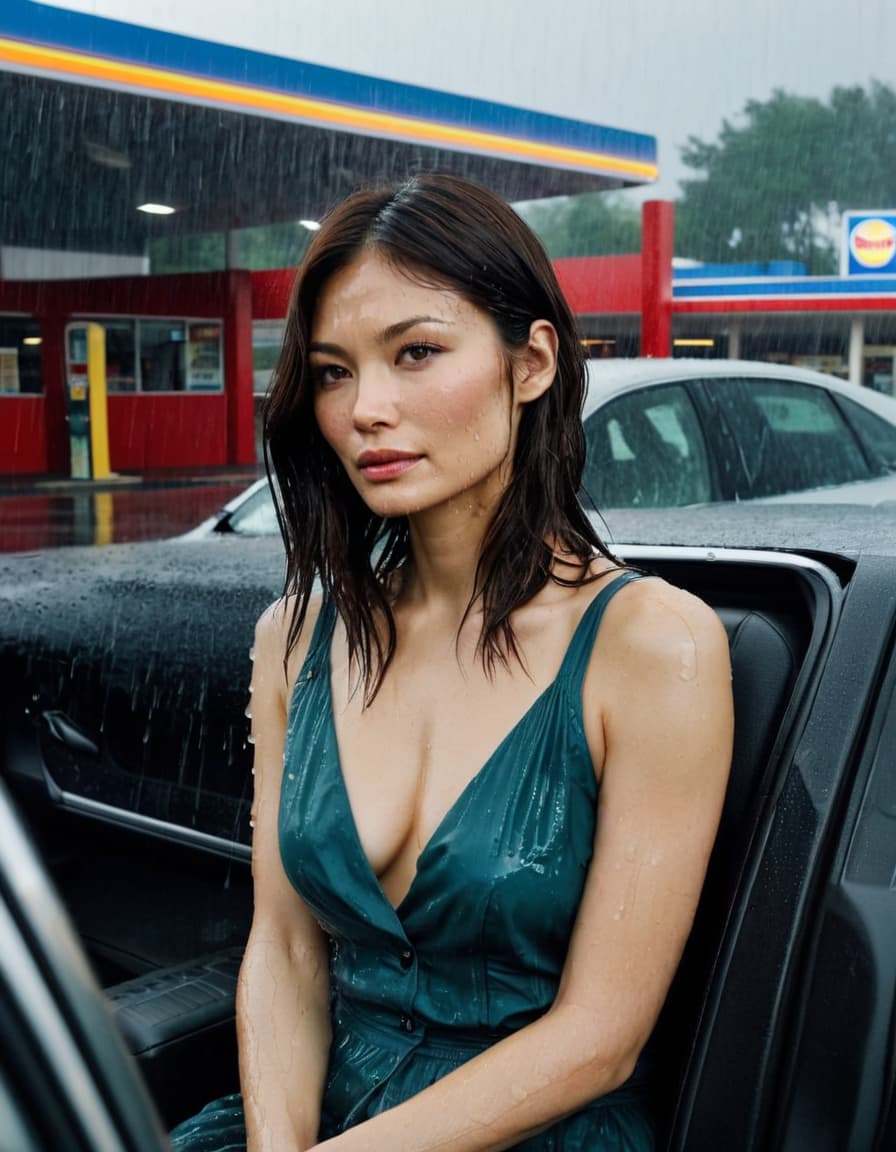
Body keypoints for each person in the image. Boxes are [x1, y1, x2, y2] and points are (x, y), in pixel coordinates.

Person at [170, 173, 734, 1152]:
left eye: (416, 352)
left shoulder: (653, 647)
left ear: (531, 362)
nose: (364, 410)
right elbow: (288, 951)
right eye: (334, 371)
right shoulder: (294, 636)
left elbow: (599, 1038)